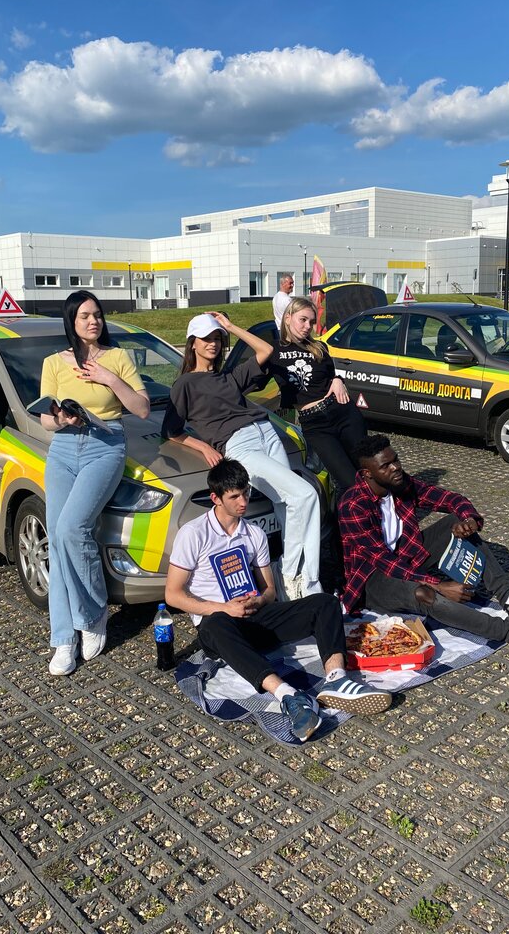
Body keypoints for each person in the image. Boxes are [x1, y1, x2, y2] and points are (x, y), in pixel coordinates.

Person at [165, 459, 391, 741]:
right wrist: (224, 608)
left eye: (245, 493)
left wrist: (258, 601)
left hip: (253, 617)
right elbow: (173, 594)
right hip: (219, 628)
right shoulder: (193, 533)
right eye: (234, 497)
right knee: (215, 623)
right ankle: (288, 696)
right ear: (216, 498)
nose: (243, 502)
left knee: (325, 602)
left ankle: (336, 679)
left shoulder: (253, 533)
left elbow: (269, 590)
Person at [338, 434, 509, 650]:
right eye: (386, 466)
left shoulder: (399, 483)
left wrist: (468, 519)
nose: (396, 467)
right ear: (367, 473)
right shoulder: (353, 505)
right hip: (373, 581)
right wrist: (438, 586)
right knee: (424, 594)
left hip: (406, 557)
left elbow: (449, 498)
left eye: (396, 460)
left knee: (455, 522)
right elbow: (384, 561)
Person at [162, 311, 321, 600]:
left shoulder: (228, 377)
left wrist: (230, 325)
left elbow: (266, 350)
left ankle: (302, 586)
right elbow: (171, 430)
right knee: (305, 495)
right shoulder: (185, 384)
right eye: (206, 338)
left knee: (287, 505)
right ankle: (291, 575)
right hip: (239, 444)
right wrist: (205, 447)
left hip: (267, 432)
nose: (213, 343)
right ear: (192, 343)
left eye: (217, 339)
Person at [39, 291, 150, 676]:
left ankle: (91, 615)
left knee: (73, 528)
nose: (93, 321)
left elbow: (141, 408)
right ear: (71, 321)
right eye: (85, 315)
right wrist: (62, 420)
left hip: (106, 445)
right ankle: (63, 638)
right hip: (64, 448)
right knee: (57, 537)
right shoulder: (54, 362)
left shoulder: (118, 358)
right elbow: (46, 420)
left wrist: (109, 378)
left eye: (97, 315)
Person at [267, 296, 366, 492]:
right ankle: (359, 509)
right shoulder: (273, 351)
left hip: (342, 412)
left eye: (312, 322)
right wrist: (230, 327)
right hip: (315, 424)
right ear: (288, 317)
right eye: (303, 320)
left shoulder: (319, 347)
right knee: (349, 481)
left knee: (369, 469)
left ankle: (387, 508)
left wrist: (338, 379)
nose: (308, 327)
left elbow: (330, 376)